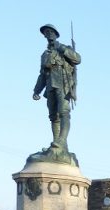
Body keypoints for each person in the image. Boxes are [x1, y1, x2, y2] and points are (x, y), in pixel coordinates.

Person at [32, 24, 81, 158]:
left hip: (63, 84)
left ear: (56, 34)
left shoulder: (64, 48)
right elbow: (42, 74)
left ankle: (61, 141)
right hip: (50, 85)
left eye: (51, 32)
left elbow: (77, 59)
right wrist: (37, 90)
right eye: (46, 33)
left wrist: (62, 48)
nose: (48, 34)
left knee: (64, 112)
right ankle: (57, 143)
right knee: (53, 116)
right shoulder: (45, 55)